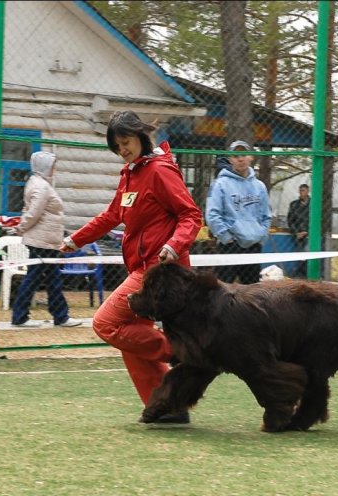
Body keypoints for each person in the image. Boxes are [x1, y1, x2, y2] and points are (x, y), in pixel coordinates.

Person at [60, 111, 202, 423]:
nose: (122, 150)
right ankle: (167, 406)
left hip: (159, 271)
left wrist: (173, 245)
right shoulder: (131, 173)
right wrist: (76, 239)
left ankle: (182, 352)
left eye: (125, 142)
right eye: (117, 146)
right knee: (132, 336)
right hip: (141, 269)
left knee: (106, 324)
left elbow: (191, 215)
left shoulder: (160, 170)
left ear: (140, 137)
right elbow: (112, 216)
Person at [9, 152, 82, 328]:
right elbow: (33, 213)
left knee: (51, 279)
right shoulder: (41, 186)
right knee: (37, 278)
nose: (54, 169)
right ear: (44, 166)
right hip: (41, 242)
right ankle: (22, 316)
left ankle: (59, 316)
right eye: (52, 165)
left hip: (45, 241)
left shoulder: (40, 183)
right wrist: (20, 228)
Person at [205, 140, 272, 284]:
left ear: (251, 157)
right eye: (236, 155)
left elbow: (266, 215)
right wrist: (226, 238)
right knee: (223, 291)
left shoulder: (259, 186)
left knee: (252, 292)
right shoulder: (220, 184)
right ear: (230, 159)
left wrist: (261, 236)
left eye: (243, 154)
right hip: (230, 245)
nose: (240, 159)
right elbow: (212, 215)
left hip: (254, 245)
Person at [287, 183, 310, 278]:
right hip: (298, 234)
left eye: (303, 190)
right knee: (301, 254)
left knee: (307, 254)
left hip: (310, 234)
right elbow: (290, 220)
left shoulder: (313, 204)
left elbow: (316, 220)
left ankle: (305, 274)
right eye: (300, 191)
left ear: (308, 191)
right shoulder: (294, 205)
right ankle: (301, 275)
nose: (301, 193)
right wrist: (296, 233)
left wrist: (308, 231)